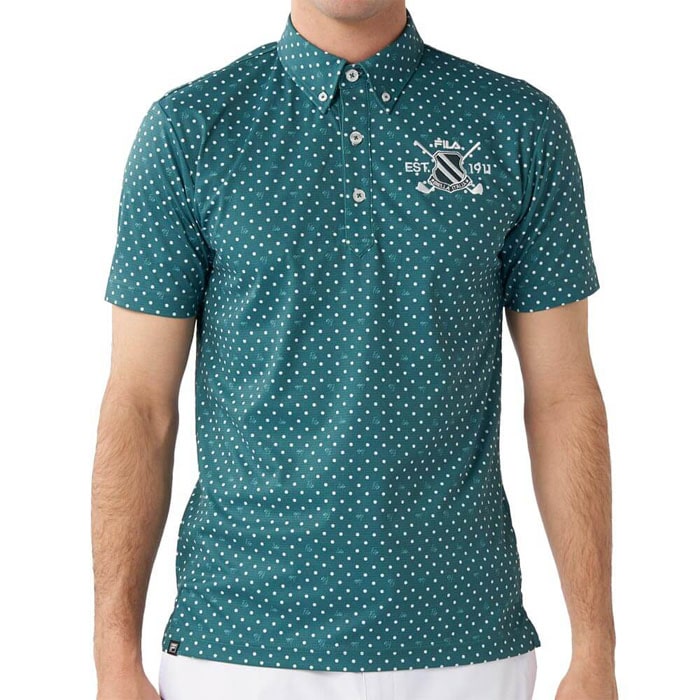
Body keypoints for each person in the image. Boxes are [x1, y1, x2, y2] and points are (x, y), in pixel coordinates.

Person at [91, 1, 618, 699]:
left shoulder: (516, 124)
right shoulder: (191, 129)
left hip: (463, 642)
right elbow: (139, 404)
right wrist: (114, 661)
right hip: (239, 645)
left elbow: (563, 398)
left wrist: (596, 652)